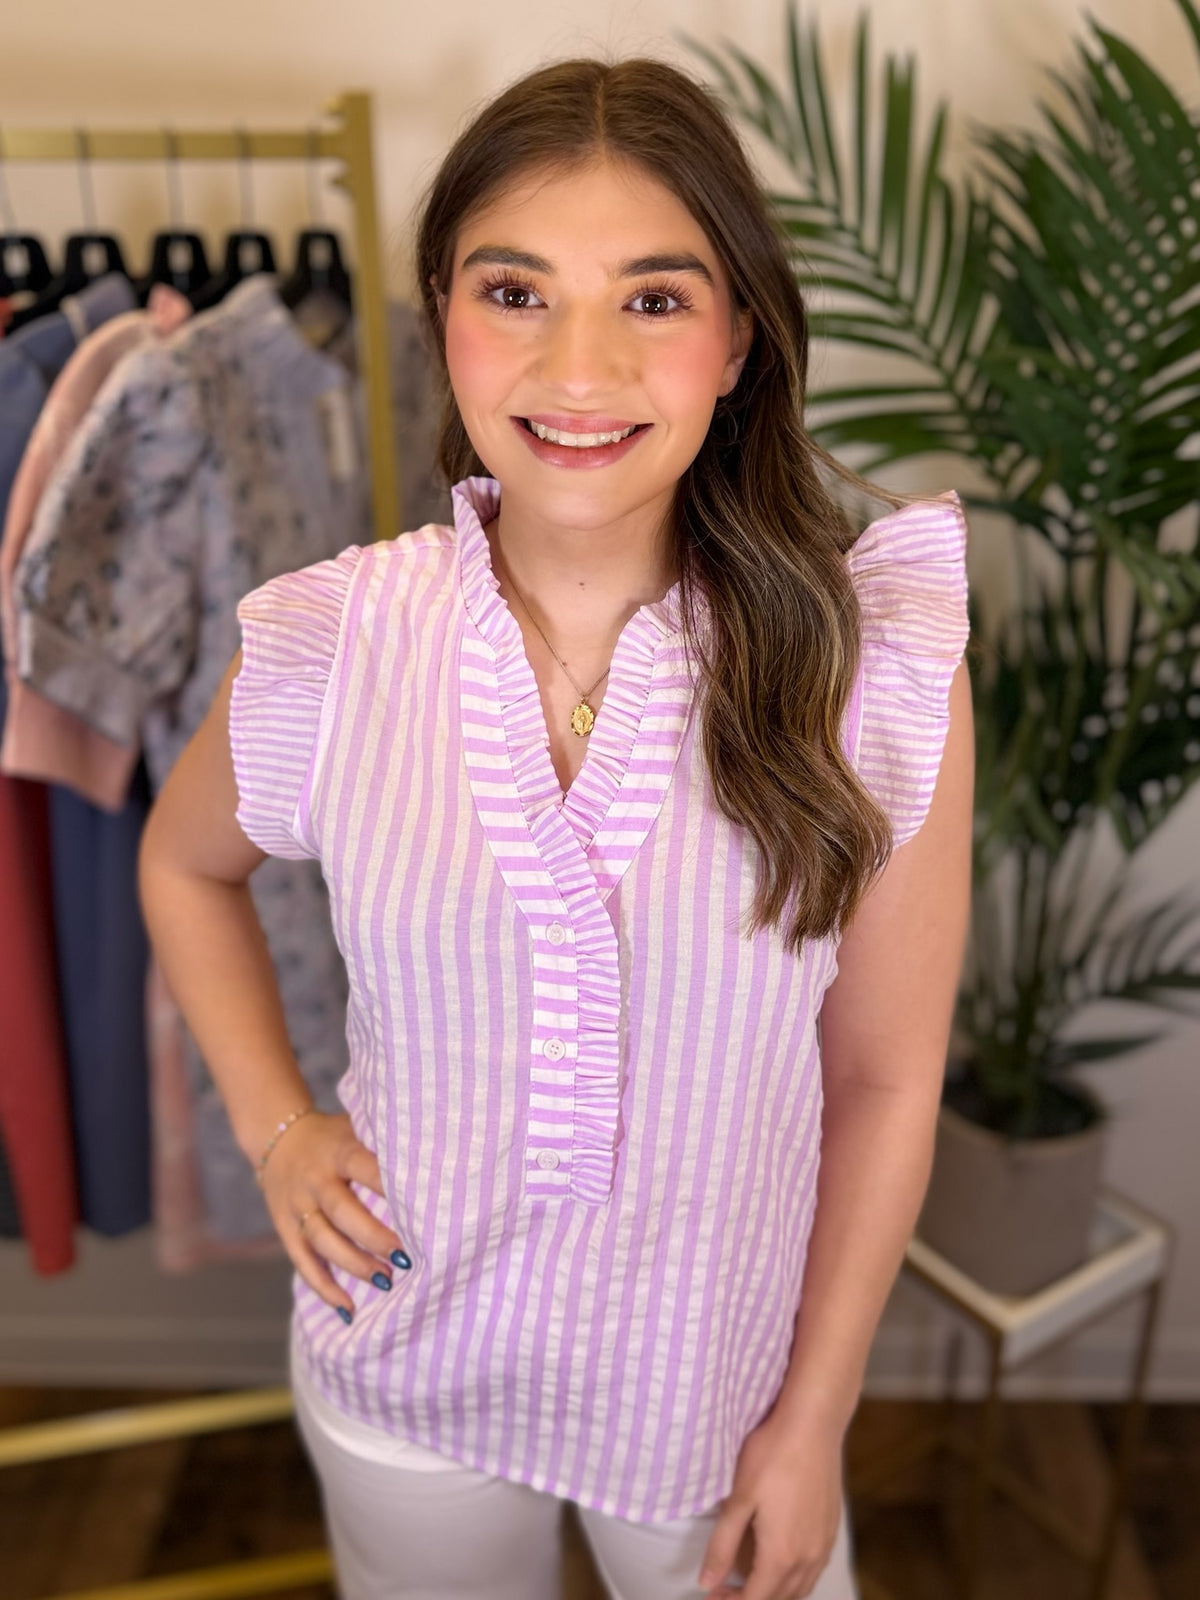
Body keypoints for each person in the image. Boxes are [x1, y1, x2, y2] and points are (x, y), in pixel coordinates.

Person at [138, 55, 973, 1600]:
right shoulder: (334, 644)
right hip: (405, 1367)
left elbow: (882, 1076)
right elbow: (182, 865)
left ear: (737, 340)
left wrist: (815, 1419)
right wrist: (277, 1129)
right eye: (516, 291)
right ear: (442, 311)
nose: (578, 369)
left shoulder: (874, 661)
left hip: (716, 1404)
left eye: (655, 300)